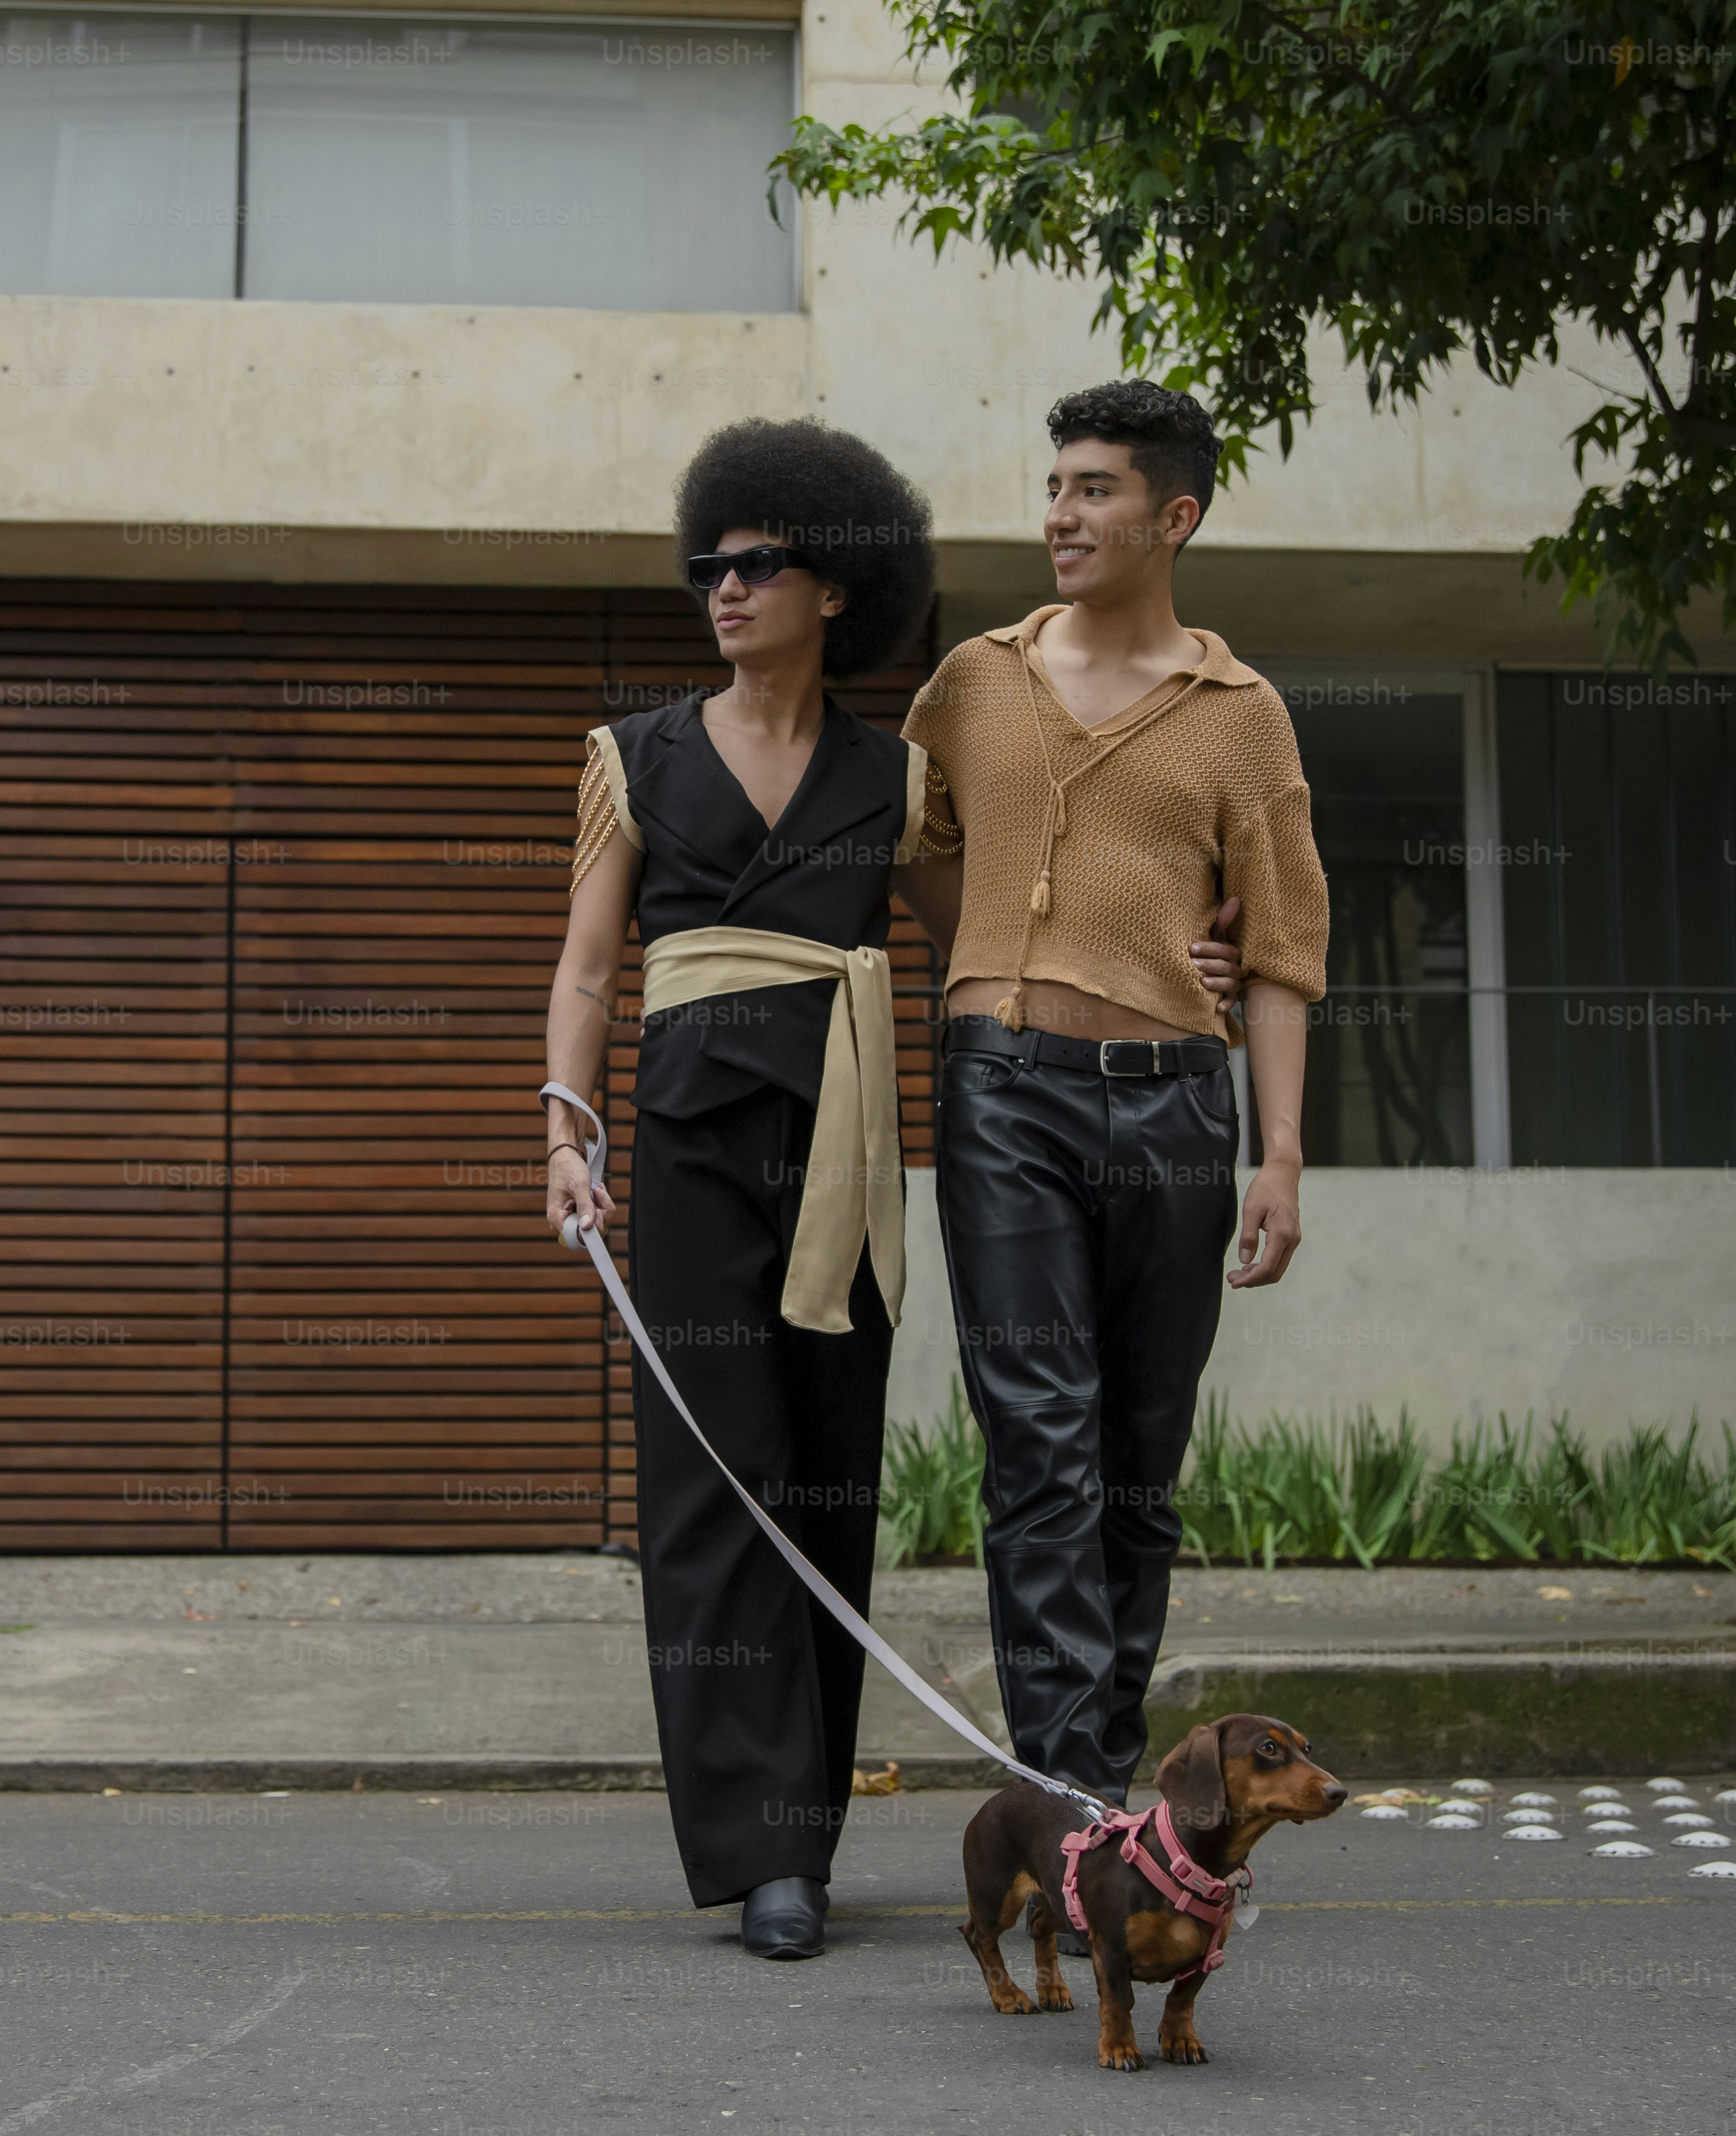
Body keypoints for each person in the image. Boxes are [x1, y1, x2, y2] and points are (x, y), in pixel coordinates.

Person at [539, 418, 1245, 1961]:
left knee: (825, 1482)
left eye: (756, 563)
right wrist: (564, 1132)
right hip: (691, 1153)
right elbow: (590, 968)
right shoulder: (633, 753)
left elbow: (989, 935)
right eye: (707, 565)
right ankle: (756, 1853)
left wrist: (1182, 963)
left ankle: (814, 1826)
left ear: (835, 584)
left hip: (849, 1152)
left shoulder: (898, 775)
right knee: (709, 1491)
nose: (723, 588)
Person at [892, 380, 1330, 1919]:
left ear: (1174, 516)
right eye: (1054, 485)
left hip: (1173, 1109)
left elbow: (1278, 946)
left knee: (1139, 1460)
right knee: (1039, 1452)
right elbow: (922, 858)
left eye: (1092, 490)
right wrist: (1000, 980)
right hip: (1002, 1093)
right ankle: (1080, 1807)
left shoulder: (1240, 713)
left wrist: (1278, 1154)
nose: (1060, 514)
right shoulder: (971, 679)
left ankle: (1118, 1768)